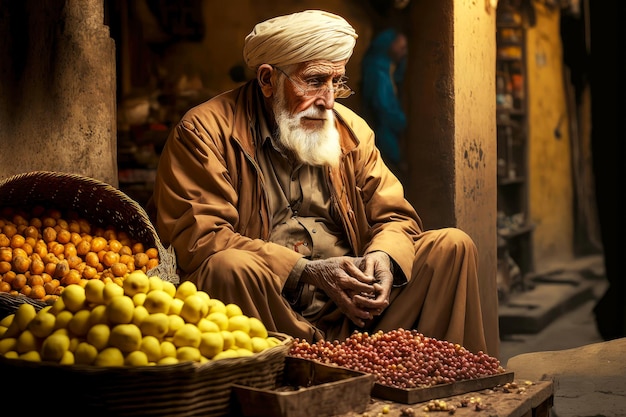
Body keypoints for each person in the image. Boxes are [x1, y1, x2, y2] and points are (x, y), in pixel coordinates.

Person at [150, 10, 489, 354]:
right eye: (314, 81)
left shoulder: (350, 130)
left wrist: (383, 256)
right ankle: (284, 379)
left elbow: (396, 217)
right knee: (228, 268)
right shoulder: (204, 132)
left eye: (336, 82)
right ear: (267, 80)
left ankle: (445, 389)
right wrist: (305, 271)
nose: (328, 101)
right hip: (269, 312)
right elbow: (201, 239)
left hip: (355, 313)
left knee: (452, 247)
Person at [360, 28, 408, 179]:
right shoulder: (378, 73)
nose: (404, 52)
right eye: (401, 47)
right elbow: (384, 110)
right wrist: (403, 122)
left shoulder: (385, 68)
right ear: (388, 45)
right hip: (384, 140)